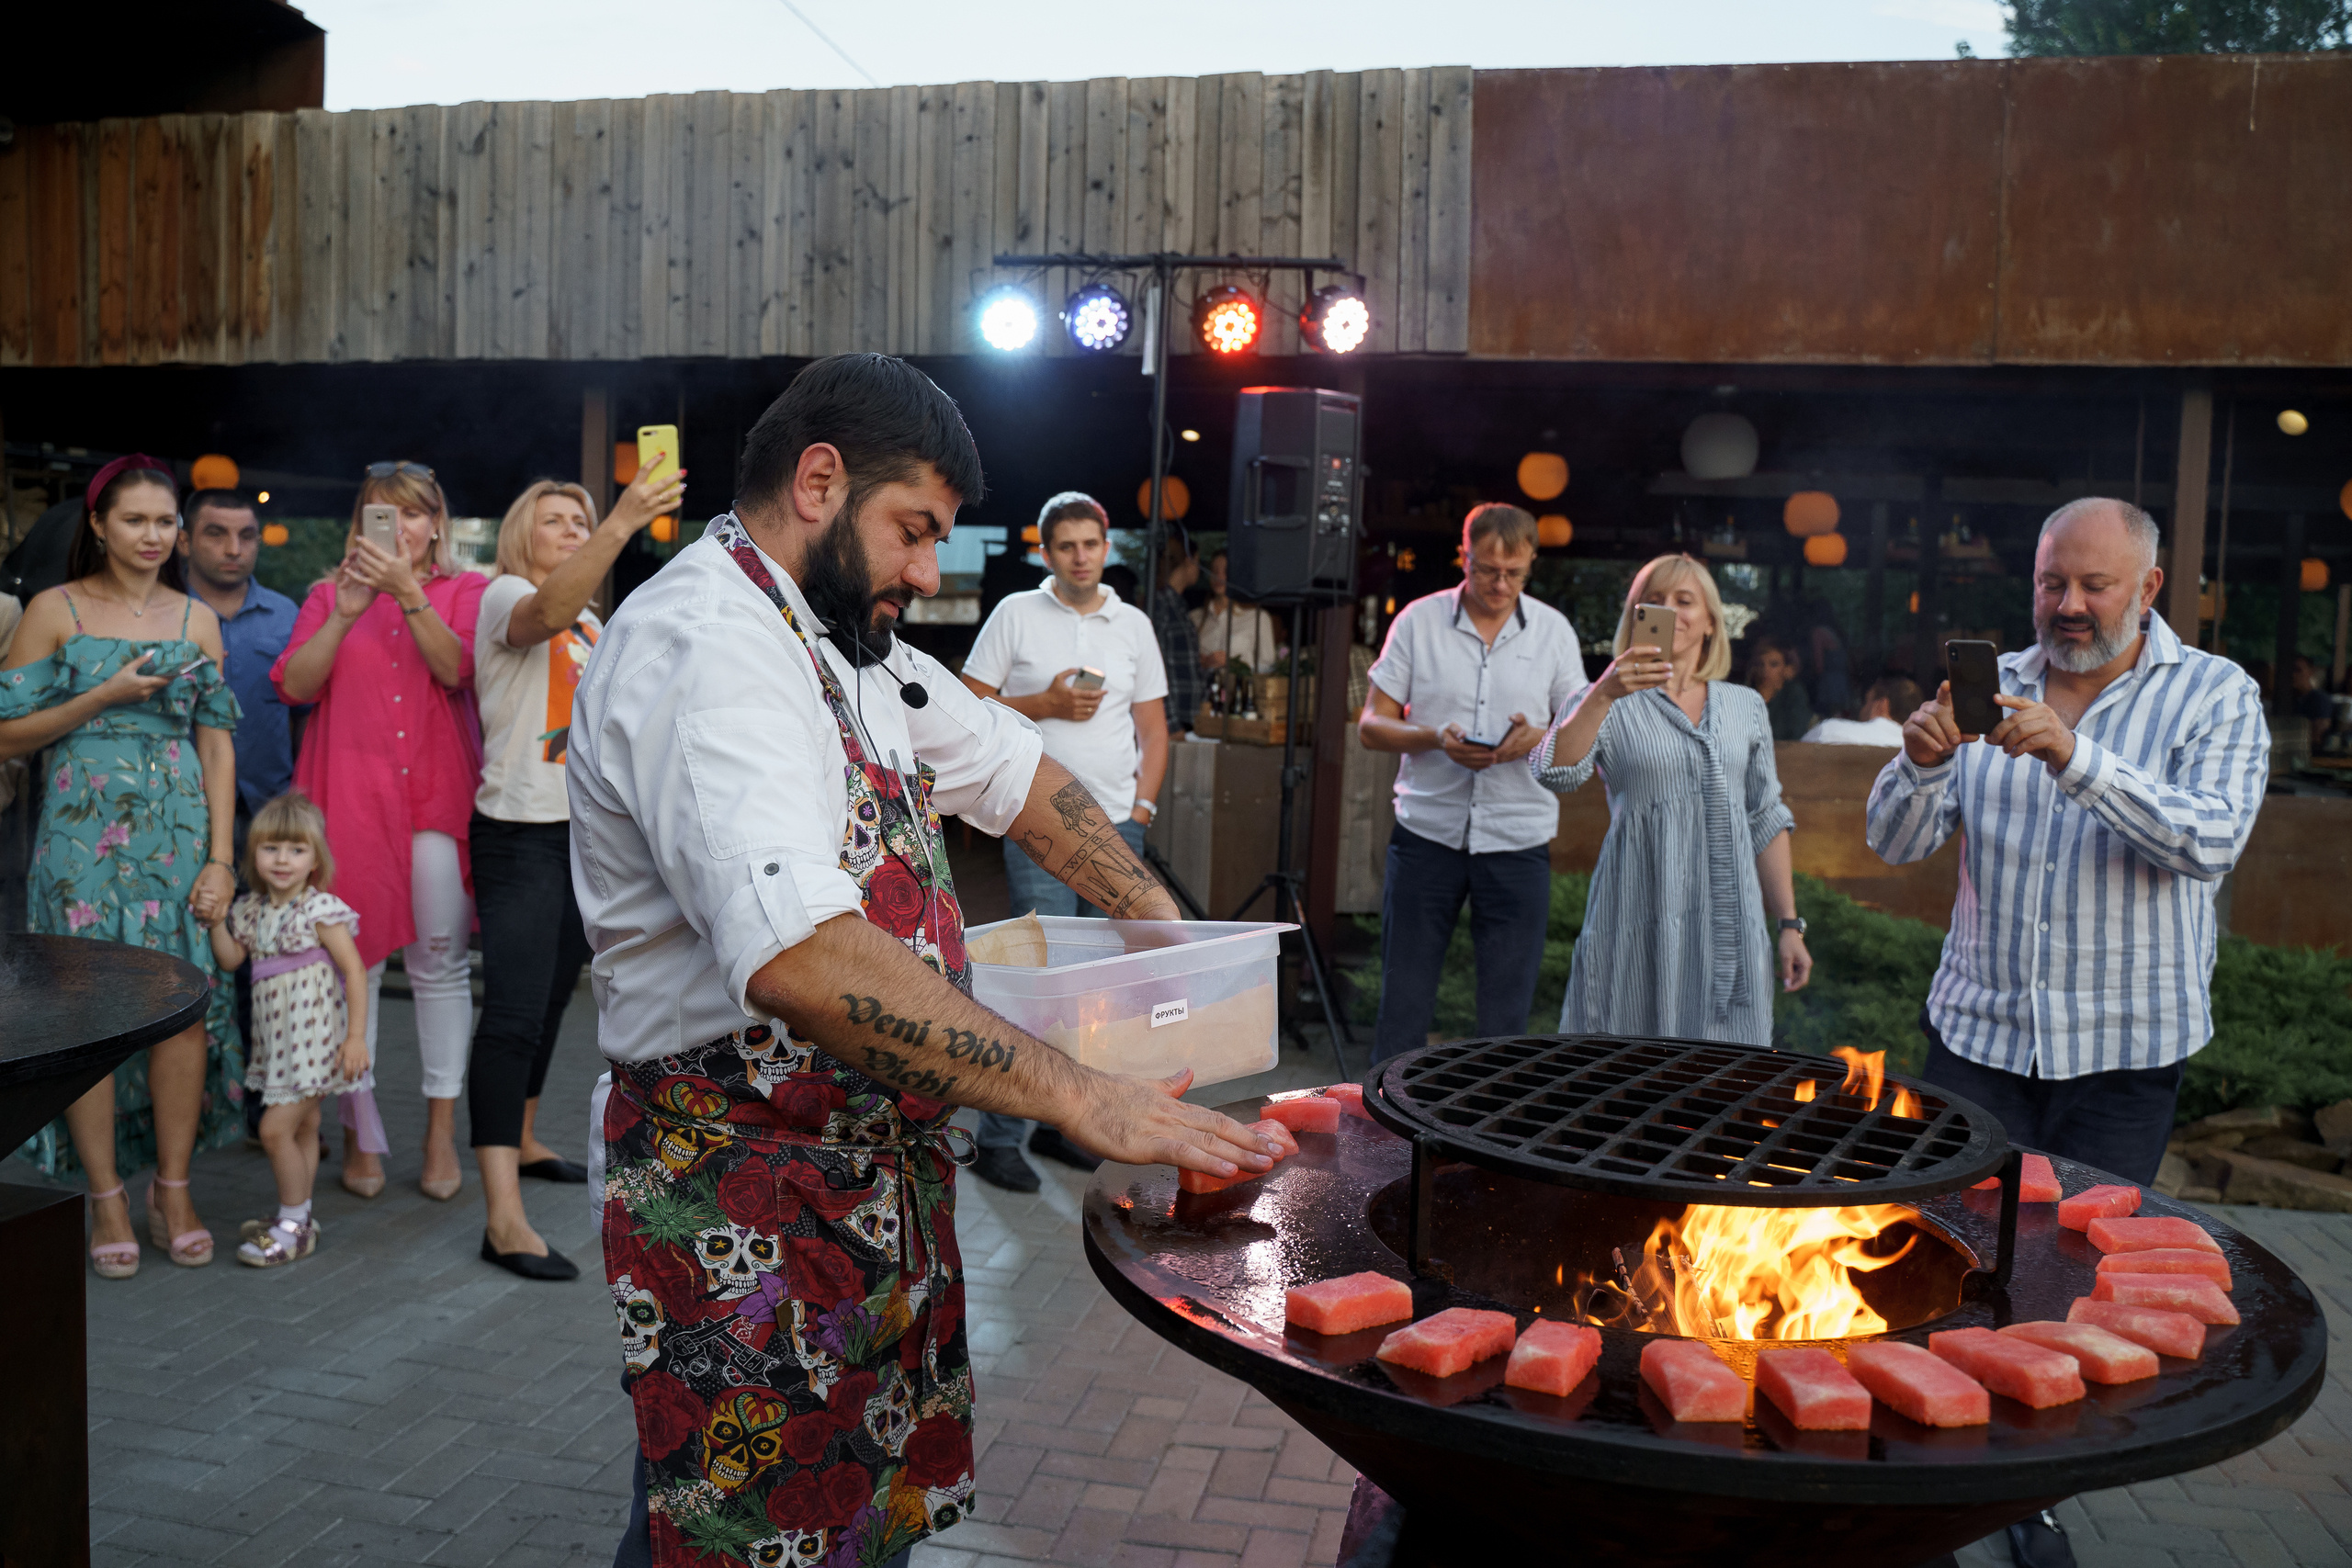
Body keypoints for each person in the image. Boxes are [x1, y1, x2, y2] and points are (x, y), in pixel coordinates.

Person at [568, 353, 1276, 1568]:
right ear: (818, 482)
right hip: (739, 1198)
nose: (926, 571)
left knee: (854, 1523)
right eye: (913, 530)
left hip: (864, 1194)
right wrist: (1081, 1094)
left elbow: (1022, 777)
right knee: (736, 1538)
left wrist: (1167, 936)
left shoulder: (854, 647)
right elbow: (805, 959)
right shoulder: (706, 645)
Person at [1867, 499, 2268, 1568]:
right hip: (1977, 1037)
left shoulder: (2214, 693)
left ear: (2148, 587)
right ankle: (1928, 1482)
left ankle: (2027, 1496)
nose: (2070, 605)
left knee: (2076, 1287)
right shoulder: (1987, 681)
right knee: (1941, 1265)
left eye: (2094, 585)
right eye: (2053, 583)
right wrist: (1919, 762)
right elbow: (1892, 842)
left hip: (2124, 1052)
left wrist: (2076, 759)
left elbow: (2209, 841)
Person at [0, 455, 244, 1276]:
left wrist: (222, 858)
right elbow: (4, 733)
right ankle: (105, 1194)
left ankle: (172, 1189)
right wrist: (99, 698)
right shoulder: (54, 609)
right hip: (80, 844)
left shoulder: (197, 618)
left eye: (164, 520)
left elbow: (218, 743)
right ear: (99, 525)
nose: (153, 535)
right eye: (134, 519)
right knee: (86, 1012)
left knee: (181, 1014)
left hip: (178, 839)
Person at [468, 465, 683, 1281]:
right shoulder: (506, 594)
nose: (571, 530)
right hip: (518, 831)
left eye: (580, 521)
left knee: (555, 997)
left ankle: (523, 1139)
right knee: (512, 1014)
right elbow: (545, 613)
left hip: (577, 834)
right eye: (555, 519)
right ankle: (501, 1221)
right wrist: (623, 519)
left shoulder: (593, 619)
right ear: (521, 533)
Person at [272, 461, 488, 1201]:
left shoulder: (466, 590)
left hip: (433, 799)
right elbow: (295, 685)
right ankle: (360, 1130)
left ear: (436, 524)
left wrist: (406, 593)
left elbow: (456, 670)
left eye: (414, 513)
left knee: (439, 966)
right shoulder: (326, 595)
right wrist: (344, 613)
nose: (400, 527)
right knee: (349, 967)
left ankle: (438, 1133)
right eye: (382, 513)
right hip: (350, 801)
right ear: (360, 524)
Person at [958, 491, 1170, 1190]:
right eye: (1067, 546)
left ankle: (1061, 1123)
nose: (1081, 556)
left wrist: (1143, 807)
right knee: (1039, 978)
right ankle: (998, 1137)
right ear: (1046, 553)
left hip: (1118, 823)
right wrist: (1044, 704)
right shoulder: (1016, 613)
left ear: (1106, 547)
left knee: (1097, 984)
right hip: (1035, 818)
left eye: (1091, 544)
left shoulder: (1132, 623)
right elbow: (964, 704)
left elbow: (1153, 728)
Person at [1532, 554, 1813, 1045]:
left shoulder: (1745, 705)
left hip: (1728, 923)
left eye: (1685, 601)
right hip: (1637, 911)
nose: (1671, 612)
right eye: (1655, 601)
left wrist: (1790, 924)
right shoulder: (1604, 698)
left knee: (1725, 1074)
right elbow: (1554, 772)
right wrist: (1604, 694)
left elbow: (1765, 818)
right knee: (1625, 1065)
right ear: (1635, 616)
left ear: (1710, 622)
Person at [1359, 503, 1589, 1064]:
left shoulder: (1554, 631)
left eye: (1515, 573)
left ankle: (1494, 1118)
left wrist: (1536, 736)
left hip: (1518, 838)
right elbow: (1371, 724)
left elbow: (1580, 732)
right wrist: (1435, 737)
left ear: (1531, 563)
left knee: (1507, 1015)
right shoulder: (1418, 620)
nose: (1500, 584)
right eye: (1487, 570)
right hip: (1426, 835)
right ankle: (1389, 1113)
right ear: (1464, 557)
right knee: (1403, 1003)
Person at [178, 487, 304, 1140]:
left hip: (266, 815)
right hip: (179, 811)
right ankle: (190, 1100)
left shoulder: (286, 614)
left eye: (246, 534)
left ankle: (263, 1105)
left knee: (266, 960)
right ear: (185, 540)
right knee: (187, 953)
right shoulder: (165, 611)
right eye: (216, 533)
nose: (234, 548)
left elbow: (306, 709)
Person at [206, 792, 368, 1268]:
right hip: (278, 1046)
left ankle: (293, 1226)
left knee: (274, 1130)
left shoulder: (320, 910)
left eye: (296, 850)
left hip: (316, 1044)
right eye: (271, 848)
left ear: (315, 859)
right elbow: (231, 959)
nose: (282, 860)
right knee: (304, 1127)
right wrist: (215, 922)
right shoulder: (251, 910)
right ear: (253, 854)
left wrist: (356, 1037)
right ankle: (297, 1215)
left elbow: (354, 971)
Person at [1193, 548, 1283, 674]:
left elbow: (1268, 666)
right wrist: (1199, 662)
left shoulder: (1258, 618)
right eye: (1214, 571)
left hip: (1238, 686)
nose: (1219, 576)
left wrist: (1232, 664)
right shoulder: (1194, 617)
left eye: (1226, 571)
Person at [1153, 528, 1204, 736]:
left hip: (1187, 721)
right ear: (1190, 561)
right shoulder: (1161, 605)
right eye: (1198, 561)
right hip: (1173, 724)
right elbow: (1155, 666)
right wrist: (1171, 722)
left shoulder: (1178, 605)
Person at [1802, 676, 1921, 746]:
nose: (1862, 709)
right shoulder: (1921, 752)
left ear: (1882, 705)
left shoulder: (1829, 731)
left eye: (1866, 702)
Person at [1747, 633, 1815, 740]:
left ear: (1788, 669)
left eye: (1774, 665)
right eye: (1760, 664)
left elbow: (1794, 734)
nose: (1765, 670)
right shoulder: (1745, 694)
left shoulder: (1793, 694)